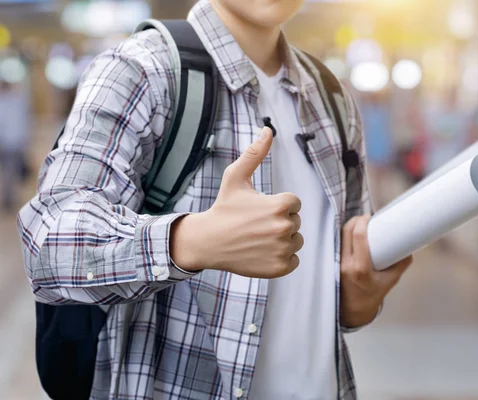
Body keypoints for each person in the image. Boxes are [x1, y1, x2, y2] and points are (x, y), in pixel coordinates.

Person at [17, 0, 413, 398]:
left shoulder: (331, 98)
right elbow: (49, 240)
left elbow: (332, 299)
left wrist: (358, 300)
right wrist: (191, 242)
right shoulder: (141, 69)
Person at [0, 79, 30, 213]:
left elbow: (23, 121)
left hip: (13, 142)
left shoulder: (16, 102)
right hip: (9, 142)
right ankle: (8, 198)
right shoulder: (15, 102)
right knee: (9, 171)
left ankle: (9, 197)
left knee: (11, 171)